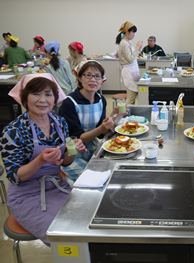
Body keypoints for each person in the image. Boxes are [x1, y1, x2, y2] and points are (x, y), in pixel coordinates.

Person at [1, 74, 87, 246]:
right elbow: (15, 177)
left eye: (48, 94)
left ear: (55, 99)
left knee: (86, 223)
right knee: (65, 237)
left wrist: (73, 151)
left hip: (56, 186)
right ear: (24, 99)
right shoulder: (12, 132)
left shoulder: (59, 122)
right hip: (27, 196)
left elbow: (64, 162)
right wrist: (40, 160)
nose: (42, 100)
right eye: (35, 94)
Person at [59, 60, 127, 185]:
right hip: (73, 153)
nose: (93, 80)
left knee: (111, 174)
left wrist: (114, 116)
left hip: (94, 146)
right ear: (79, 78)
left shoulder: (100, 99)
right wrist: (101, 128)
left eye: (97, 76)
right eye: (88, 75)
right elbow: (78, 137)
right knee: (92, 181)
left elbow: (101, 134)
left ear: (102, 80)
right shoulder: (69, 103)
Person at [116, 21, 143, 105]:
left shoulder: (127, 42)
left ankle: (129, 115)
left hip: (132, 71)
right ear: (127, 32)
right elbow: (130, 59)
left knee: (132, 97)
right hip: (129, 72)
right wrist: (137, 48)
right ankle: (124, 116)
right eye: (133, 32)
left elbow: (131, 57)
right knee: (131, 98)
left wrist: (138, 49)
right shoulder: (124, 43)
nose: (134, 34)